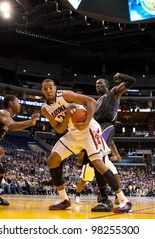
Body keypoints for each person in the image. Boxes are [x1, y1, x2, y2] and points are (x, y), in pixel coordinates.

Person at [41, 78, 132, 213]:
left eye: (50, 87)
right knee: (53, 159)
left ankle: (124, 200)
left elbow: (91, 102)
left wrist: (85, 122)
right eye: (45, 88)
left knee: (98, 163)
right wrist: (67, 116)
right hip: (74, 133)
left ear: (55, 88)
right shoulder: (45, 109)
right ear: (42, 91)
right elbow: (59, 130)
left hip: (89, 129)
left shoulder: (66, 95)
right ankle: (64, 199)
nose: (48, 90)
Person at [75, 73, 136, 211]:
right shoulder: (96, 103)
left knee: (98, 159)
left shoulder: (114, 92)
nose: (97, 85)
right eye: (96, 84)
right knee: (95, 161)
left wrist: (120, 76)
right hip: (96, 129)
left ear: (107, 85)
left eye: (100, 83)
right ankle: (104, 199)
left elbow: (132, 81)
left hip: (107, 125)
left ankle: (122, 200)